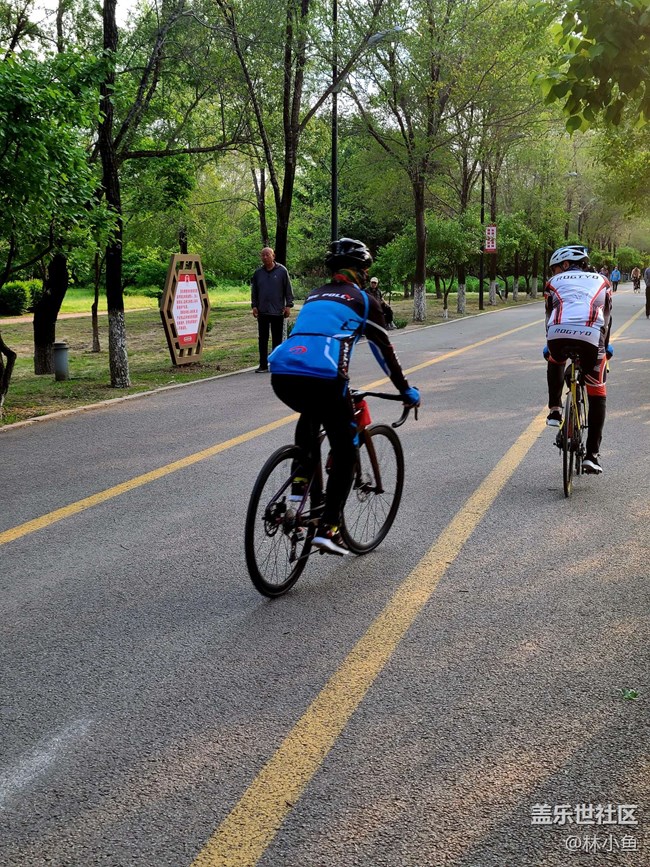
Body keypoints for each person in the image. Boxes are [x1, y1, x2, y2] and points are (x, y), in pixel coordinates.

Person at [268, 238, 420, 555]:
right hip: (325, 377)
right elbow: (385, 353)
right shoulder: (364, 301)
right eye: (365, 270)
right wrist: (405, 390)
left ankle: (297, 497)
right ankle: (329, 528)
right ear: (361, 271)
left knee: (310, 422)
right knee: (346, 449)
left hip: (282, 373)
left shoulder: (315, 295)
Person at [544, 245, 612, 474]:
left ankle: (555, 410)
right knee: (597, 390)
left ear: (565, 265)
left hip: (558, 335)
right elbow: (606, 318)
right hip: (591, 338)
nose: (554, 272)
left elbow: (549, 316)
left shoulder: (552, 282)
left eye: (554, 268)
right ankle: (592, 456)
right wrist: (606, 348)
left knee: (555, 360)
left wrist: (549, 346)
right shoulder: (603, 280)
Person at [251, 247, 294, 372]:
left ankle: (276, 364)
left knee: (277, 339)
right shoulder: (258, 273)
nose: (265, 257)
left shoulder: (282, 271)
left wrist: (288, 306)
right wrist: (254, 306)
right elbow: (254, 291)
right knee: (262, 339)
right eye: (263, 255)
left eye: (267, 255)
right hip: (262, 311)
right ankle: (263, 365)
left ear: (273, 256)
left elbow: (288, 289)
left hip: (278, 311)